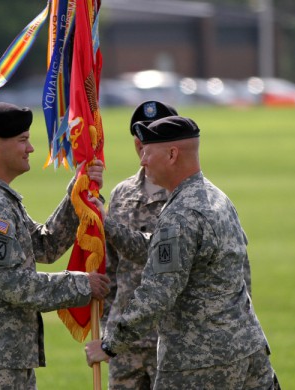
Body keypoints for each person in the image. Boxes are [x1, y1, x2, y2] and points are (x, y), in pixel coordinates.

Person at [86, 116, 280, 389]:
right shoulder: (214, 197)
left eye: (147, 152)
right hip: (247, 350)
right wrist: (108, 226)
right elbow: (163, 251)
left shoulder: (180, 214)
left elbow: (157, 294)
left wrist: (110, 344)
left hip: (200, 363)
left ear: (172, 154)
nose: (142, 161)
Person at [0, 102, 110, 390]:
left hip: (4, 360)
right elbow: (15, 286)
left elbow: (44, 246)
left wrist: (77, 194)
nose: (31, 148)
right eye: (23, 140)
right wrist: (83, 285)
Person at [101, 101, 177, 390]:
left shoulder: (187, 196)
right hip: (125, 341)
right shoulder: (122, 193)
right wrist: (108, 327)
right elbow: (109, 268)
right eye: (141, 137)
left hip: (169, 340)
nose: (143, 145)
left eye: (155, 137)